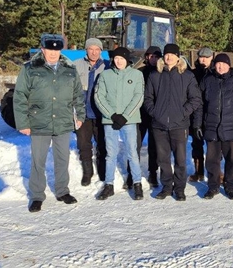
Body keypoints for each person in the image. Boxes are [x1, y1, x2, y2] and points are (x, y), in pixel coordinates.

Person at [14, 34, 85, 212]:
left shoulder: (69, 69)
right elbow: (20, 96)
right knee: (38, 160)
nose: (53, 53)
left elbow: (78, 95)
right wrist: (23, 122)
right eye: (49, 49)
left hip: (63, 121)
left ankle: (62, 191)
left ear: (60, 50)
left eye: (56, 49)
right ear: (43, 49)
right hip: (39, 121)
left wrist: (80, 116)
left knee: (62, 158)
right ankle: (37, 195)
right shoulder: (30, 68)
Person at [144, 43, 202, 201]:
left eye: (172, 54)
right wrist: (155, 113)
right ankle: (167, 187)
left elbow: (195, 99)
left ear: (178, 57)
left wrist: (182, 113)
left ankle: (180, 188)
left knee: (180, 159)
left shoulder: (187, 76)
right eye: (166, 55)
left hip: (179, 125)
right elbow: (148, 98)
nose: (169, 57)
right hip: (159, 125)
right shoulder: (155, 75)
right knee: (162, 159)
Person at [193, 53, 233, 200]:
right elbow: (200, 105)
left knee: (231, 160)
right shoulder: (207, 80)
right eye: (218, 64)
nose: (220, 66)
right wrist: (198, 124)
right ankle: (213, 187)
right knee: (212, 161)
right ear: (214, 65)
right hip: (211, 127)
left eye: (224, 64)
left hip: (231, 128)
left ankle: (230, 187)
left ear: (228, 66)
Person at [94, 47, 145, 201]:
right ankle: (109, 185)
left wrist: (125, 116)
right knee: (111, 154)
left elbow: (138, 96)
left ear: (127, 60)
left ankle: (137, 183)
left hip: (129, 121)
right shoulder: (105, 75)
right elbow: (99, 96)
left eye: (121, 58)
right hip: (110, 121)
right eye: (116, 58)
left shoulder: (137, 75)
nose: (118, 61)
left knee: (132, 153)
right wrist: (112, 115)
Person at [72, 38, 108, 186]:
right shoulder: (76, 65)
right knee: (83, 143)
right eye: (91, 49)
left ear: (101, 51)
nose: (94, 52)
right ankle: (87, 172)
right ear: (86, 50)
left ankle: (102, 170)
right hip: (83, 112)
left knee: (102, 143)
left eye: (97, 49)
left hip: (101, 112)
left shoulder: (107, 66)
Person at [137, 46, 162, 187]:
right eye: (151, 56)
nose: (153, 59)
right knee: (136, 144)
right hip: (140, 113)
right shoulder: (140, 72)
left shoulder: (162, 73)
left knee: (154, 146)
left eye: (156, 57)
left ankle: (153, 173)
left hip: (156, 114)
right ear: (147, 57)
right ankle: (132, 173)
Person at [188, 46, 214, 182]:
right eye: (201, 57)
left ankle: (214, 171)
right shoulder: (192, 73)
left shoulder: (215, 72)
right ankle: (198, 172)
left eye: (206, 57)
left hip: (211, 114)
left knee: (213, 146)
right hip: (195, 114)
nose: (203, 60)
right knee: (196, 144)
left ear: (211, 58)